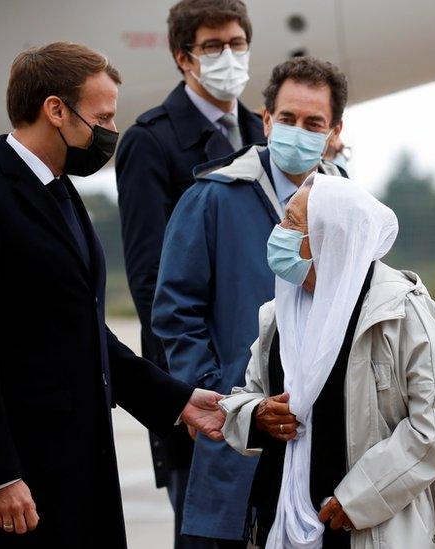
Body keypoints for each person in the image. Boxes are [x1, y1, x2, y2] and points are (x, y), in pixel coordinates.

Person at [0, 42, 225, 549]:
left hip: (80, 465)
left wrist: (177, 401)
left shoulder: (62, 193)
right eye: (103, 117)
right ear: (56, 110)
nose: (110, 130)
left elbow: (83, 328)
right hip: (21, 484)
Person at [220, 174, 435, 549]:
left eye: (292, 222)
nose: (279, 231)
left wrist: (360, 497)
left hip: (374, 526)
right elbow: (248, 394)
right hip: (283, 518)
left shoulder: (399, 310)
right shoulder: (279, 315)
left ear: (332, 237)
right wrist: (256, 413)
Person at [151, 56, 348, 547]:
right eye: (287, 119)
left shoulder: (349, 206)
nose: (298, 131)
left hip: (323, 441)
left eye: (313, 123)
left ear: (335, 130)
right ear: (265, 120)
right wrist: (225, 402)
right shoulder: (212, 197)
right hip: (237, 433)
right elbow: (175, 311)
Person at [114, 2, 262, 546]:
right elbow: (155, 285)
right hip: (197, 392)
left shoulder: (262, 131)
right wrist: (199, 387)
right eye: (213, 47)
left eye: (237, 43)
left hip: (267, 387)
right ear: (184, 58)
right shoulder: (149, 143)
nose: (229, 56)